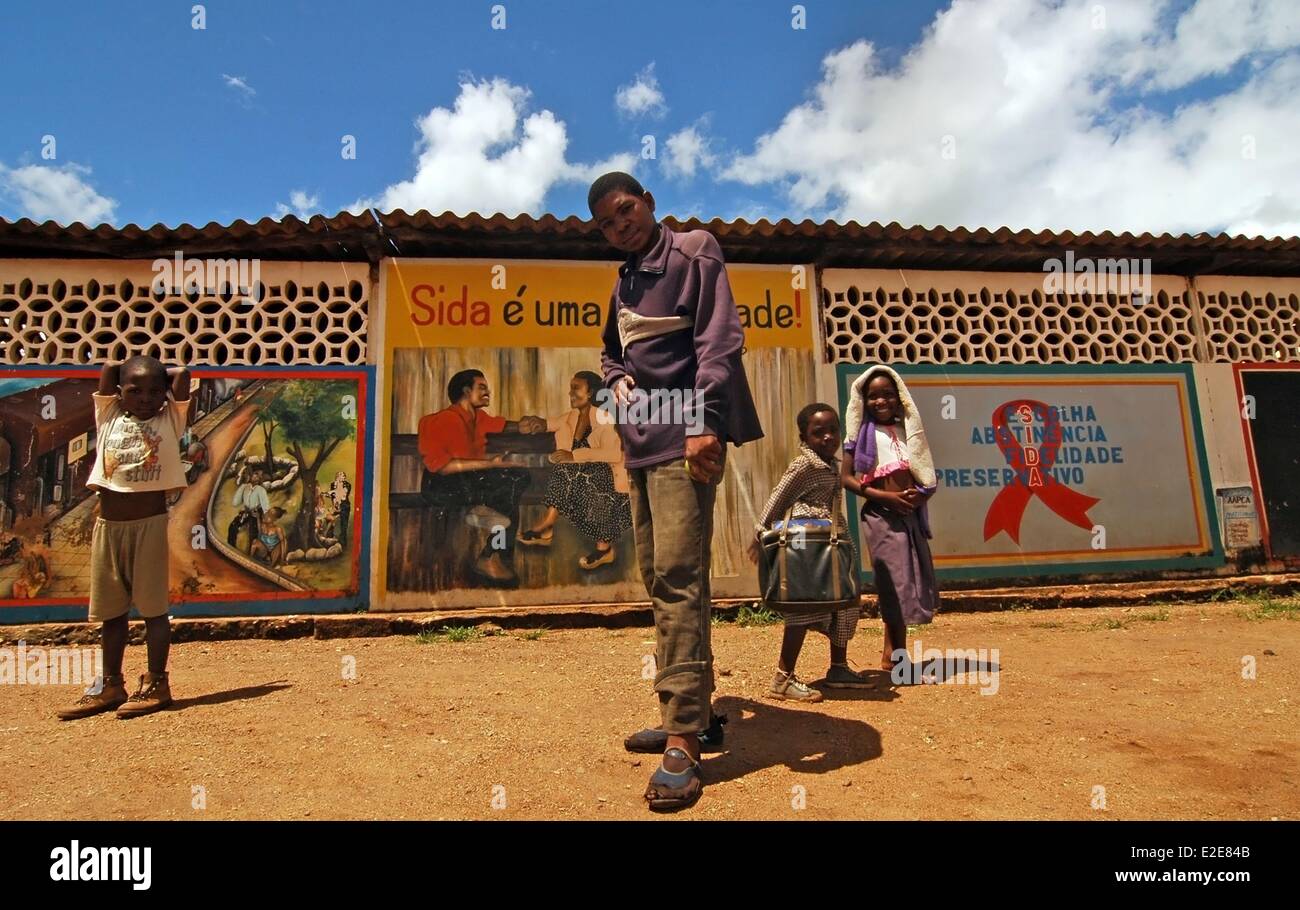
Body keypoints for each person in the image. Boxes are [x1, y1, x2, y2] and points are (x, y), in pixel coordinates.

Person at [591, 171, 763, 811]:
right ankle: (694, 712)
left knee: (679, 573)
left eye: (625, 210)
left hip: (686, 440)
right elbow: (612, 355)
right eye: (607, 223)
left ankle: (685, 738)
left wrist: (704, 425)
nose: (620, 225)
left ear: (649, 203)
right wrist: (617, 386)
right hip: (642, 445)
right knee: (659, 576)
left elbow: (719, 344)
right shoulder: (623, 282)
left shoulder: (695, 250)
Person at [58, 356, 192, 720]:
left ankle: (157, 684)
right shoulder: (109, 418)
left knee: (153, 611)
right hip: (108, 528)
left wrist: (162, 378)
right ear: (120, 393)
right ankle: (111, 684)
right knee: (111, 613)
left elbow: (183, 374)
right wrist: (126, 373)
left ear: (165, 396)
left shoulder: (170, 420)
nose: (146, 398)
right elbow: (107, 372)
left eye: (154, 392)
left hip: (148, 525)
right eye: (135, 391)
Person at [747, 403, 870, 701]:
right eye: (818, 432)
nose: (828, 437)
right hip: (807, 546)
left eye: (833, 430)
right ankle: (783, 678)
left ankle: (838, 667)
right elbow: (779, 496)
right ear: (804, 436)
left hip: (830, 542)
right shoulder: (804, 466)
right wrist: (760, 534)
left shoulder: (830, 464)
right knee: (805, 607)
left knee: (846, 601)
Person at [840, 366, 940, 673]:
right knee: (895, 585)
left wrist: (921, 495)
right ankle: (901, 663)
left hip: (909, 518)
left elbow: (923, 472)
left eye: (887, 394)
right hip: (881, 517)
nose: (880, 401)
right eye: (872, 396)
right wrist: (886, 498)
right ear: (863, 401)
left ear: (899, 398)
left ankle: (890, 654)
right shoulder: (858, 436)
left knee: (907, 583)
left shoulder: (909, 432)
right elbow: (845, 478)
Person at [417, 369, 545, 585]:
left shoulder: (478, 418)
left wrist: (527, 425)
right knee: (510, 481)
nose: (488, 392)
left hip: (467, 481)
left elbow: (508, 426)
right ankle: (492, 554)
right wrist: (491, 464)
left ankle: (493, 550)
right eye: (482, 388)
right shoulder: (445, 419)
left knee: (518, 477)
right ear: (467, 391)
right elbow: (444, 467)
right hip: (442, 486)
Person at [518, 371, 632, 570]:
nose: (570, 393)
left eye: (576, 388)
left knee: (572, 469)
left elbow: (613, 454)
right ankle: (552, 528)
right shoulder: (571, 417)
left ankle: (549, 527)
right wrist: (536, 423)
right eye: (571, 388)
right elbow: (548, 424)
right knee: (566, 470)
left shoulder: (604, 418)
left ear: (590, 393)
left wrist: (575, 456)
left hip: (611, 487)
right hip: (583, 483)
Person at [228, 466, 270, 551]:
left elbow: (266, 508)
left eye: (259, 476)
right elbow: (235, 502)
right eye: (256, 474)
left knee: (253, 532)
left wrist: (260, 517)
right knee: (233, 526)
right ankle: (231, 547)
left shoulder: (261, 490)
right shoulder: (245, 487)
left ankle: (251, 552)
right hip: (246, 512)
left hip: (256, 513)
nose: (257, 477)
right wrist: (242, 488)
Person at [328, 471, 352, 548]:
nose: (343, 477)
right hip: (335, 505)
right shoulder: (333, 484)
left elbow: (344, 496)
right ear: (337, 476)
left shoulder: (347, 485)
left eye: (344, 476)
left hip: (344, 506)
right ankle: (329, 538)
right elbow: (333, 496)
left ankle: (343, 541)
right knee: (330, 520)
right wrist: (335, 504)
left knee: (343, 524)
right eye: (342, 475)